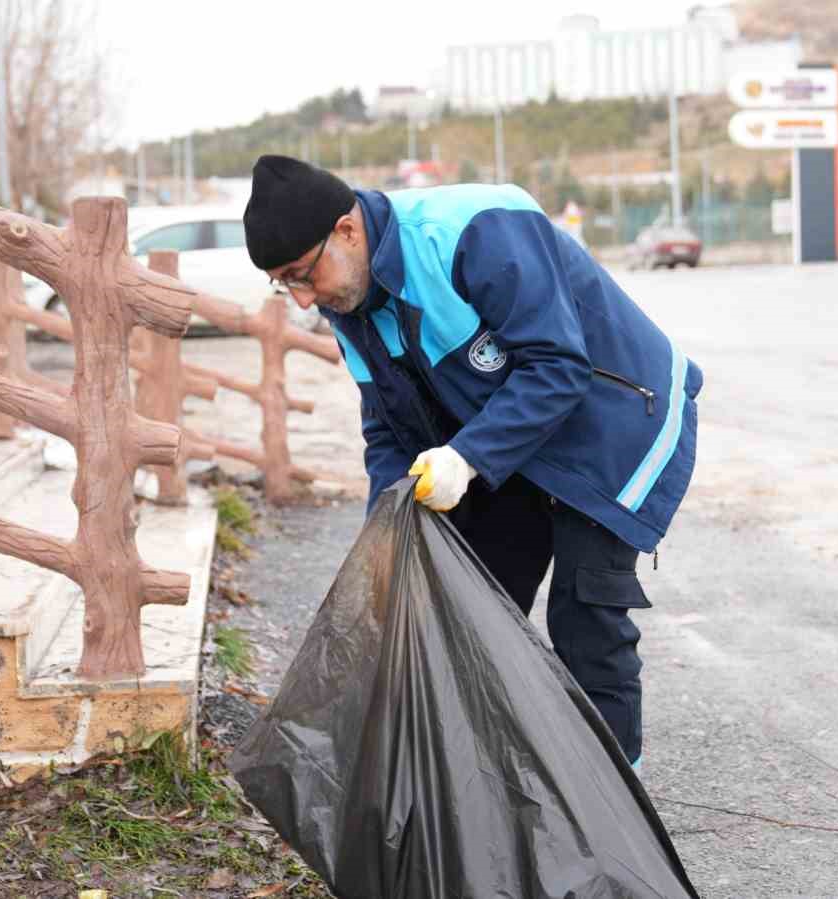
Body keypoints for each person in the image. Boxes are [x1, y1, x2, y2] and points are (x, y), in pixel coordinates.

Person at [241, 155, 702, 768]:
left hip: (612, 417)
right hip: (510, 436)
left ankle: (619, 818)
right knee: (470, 606)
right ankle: (495, 791)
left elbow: (558, 366)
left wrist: (468, 457)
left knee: (587, 621)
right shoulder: (346, 303)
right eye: (283, 284)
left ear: (347, 230)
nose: (301, 298)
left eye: (302, 274)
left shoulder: (473, 231)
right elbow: (388, 429)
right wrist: (387, 532)